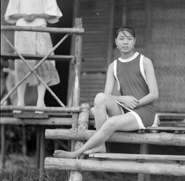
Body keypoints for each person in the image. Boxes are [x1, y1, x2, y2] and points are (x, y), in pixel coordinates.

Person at [54, 26, 159, 159]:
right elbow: (107, 95)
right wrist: (123, 99)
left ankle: (76, 153)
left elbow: (154, 94)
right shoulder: (113, 66)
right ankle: (100, 145)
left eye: (129, 39)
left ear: (134, 42)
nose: (125, 42)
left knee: (111, 123)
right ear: (116, 42)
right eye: (121, 39)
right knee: (100, 98)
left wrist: (135, 104)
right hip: (125, 109)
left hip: (143, 113)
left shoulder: (145, 62)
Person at [4, 0, 62, 111]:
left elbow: (53, 14)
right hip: (23, 31)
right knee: (21, 64)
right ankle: (20, 102)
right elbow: (10, 15)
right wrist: (22, 15)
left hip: (40, 30)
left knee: (44, 62)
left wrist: (36, 14)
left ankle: (40, 102)